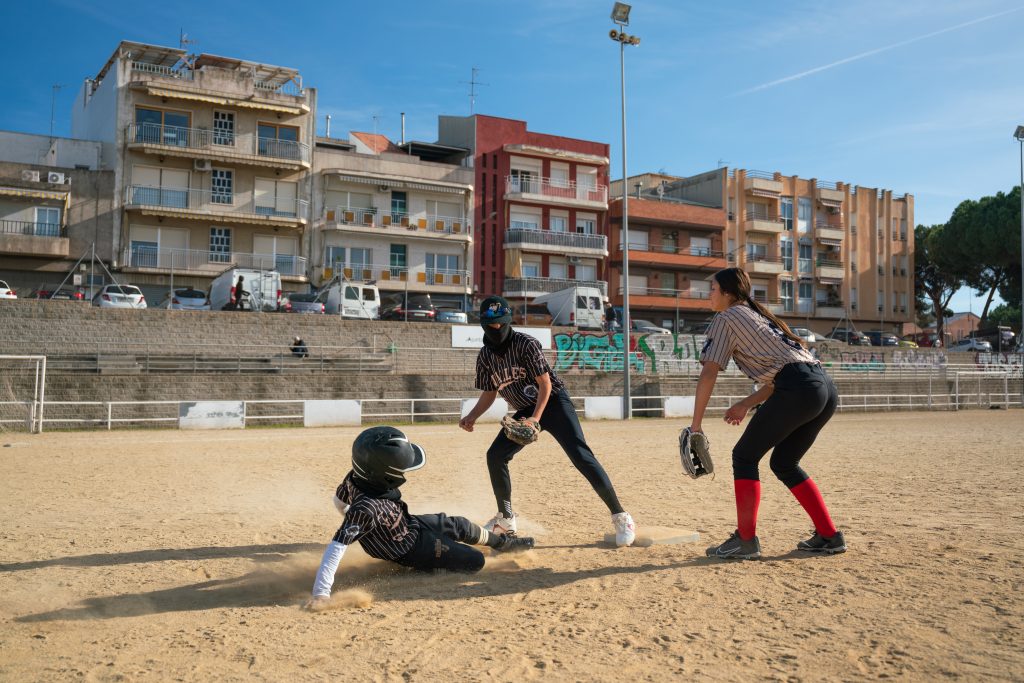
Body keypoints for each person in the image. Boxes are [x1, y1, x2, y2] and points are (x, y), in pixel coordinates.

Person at [459, 295, 636, 547]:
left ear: (508, 321)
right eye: (491, 324)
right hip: (525, 409)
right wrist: (472, 416)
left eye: (500, 323)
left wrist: (535, 419)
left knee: (581, 456)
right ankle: (506, 519)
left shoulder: (525, 344)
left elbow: (545, 384)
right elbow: (490, 392)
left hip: (553, 402)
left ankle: (621, 516)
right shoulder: (485, 356)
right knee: (495, 455)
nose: (496, 328)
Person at [693, 268, 845, 560]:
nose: (708, 294)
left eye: (712, 289)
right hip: (823, 388)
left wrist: (696, 425)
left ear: (727, 293)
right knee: (785, 463)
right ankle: (829, 535)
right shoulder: (759, 316)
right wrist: (746, 403)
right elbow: (785, 375)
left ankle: (746, 541)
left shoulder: (726, 318)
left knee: (744, 457)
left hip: (799, 387)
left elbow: (709, 371)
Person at [305, 426, 534, 611]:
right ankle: (427, 566)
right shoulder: (366, 509)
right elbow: (336, 547)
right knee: (475, 562)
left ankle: (504, 543)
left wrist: (355, 520)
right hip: (409, 547)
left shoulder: (355, 478)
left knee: (461, 525)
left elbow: (338, 500)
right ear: (386, 475)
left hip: (408, 524)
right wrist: (321, 594)